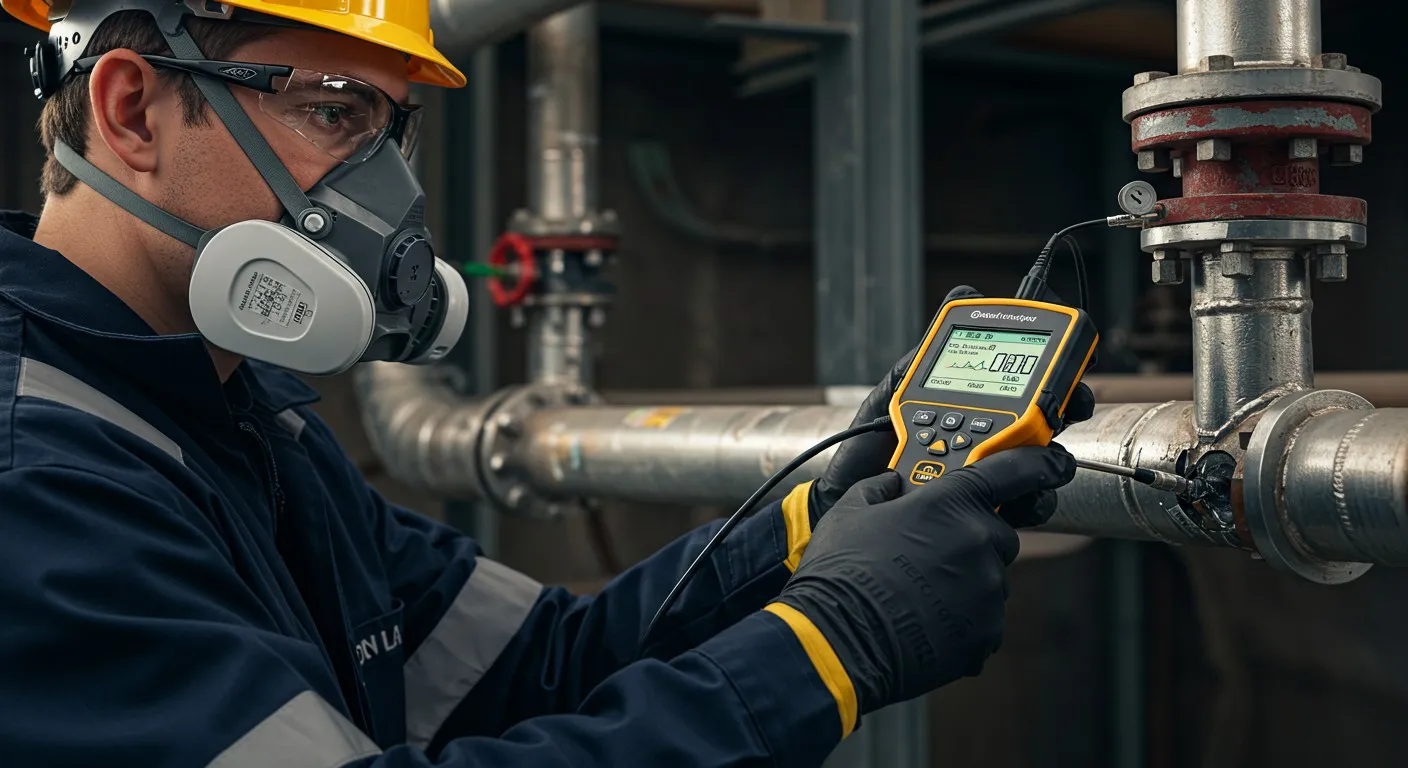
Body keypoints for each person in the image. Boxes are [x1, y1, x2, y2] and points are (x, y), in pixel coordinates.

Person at [0, 0, 1094, 765]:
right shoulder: (35, 479)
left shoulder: (242, 413)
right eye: (333, 113)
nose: (382, 191)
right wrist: (830, 646)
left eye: (391, 130)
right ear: (133, 110)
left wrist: (813, 523)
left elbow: (535, 665)